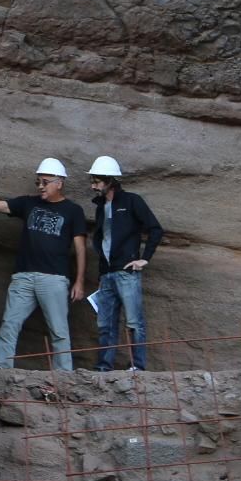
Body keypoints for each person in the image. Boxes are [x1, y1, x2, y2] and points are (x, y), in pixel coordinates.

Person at [0, 158, 88, 371]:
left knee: (59, 330)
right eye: (38, 182)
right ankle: (2, 370)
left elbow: (80, 247)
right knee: (9, 324)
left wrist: (79, 281)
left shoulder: (73, 211)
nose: (40, 186)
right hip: (24, 277)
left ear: (59, 182)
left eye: (45, 182)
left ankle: (64, 375)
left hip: (54, 278)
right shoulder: (29, 203)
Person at [86, 156, 164, 372]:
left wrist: (144, 258)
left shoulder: (131, 201)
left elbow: (155, 229)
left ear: (110, 180)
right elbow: (104, 240)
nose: (93, 186)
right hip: (107, 274)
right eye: (92, 181)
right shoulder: (101, 207)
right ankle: (103, 368)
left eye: (97, 181)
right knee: (105, 325)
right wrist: (102, 274)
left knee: (134, 322)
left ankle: (138, 367)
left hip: (127, 272)